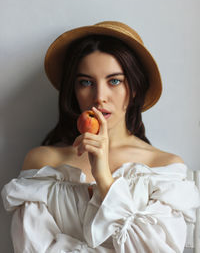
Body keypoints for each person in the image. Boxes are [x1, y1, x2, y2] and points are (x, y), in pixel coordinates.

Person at [1, 21, 200, 252]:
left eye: (114, 81)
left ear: (133, 88)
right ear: (74, 91)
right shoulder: (44, 164)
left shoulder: (164, 169)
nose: (99, 96)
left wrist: (104, 179)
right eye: (86, 82)